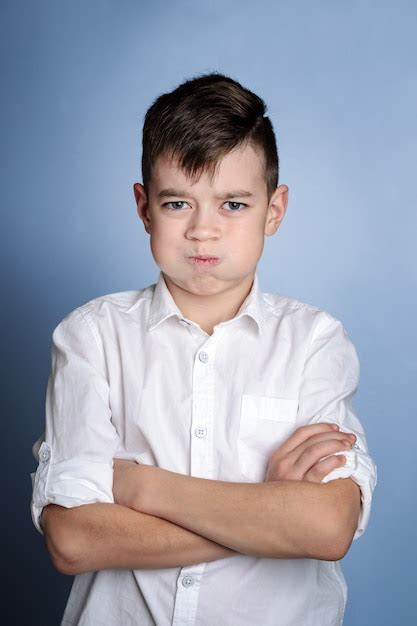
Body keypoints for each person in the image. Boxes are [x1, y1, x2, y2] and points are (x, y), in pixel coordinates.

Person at [30, 71, 377, 626]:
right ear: (144, 207)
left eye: (233, 204)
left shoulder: (316, 341)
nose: (203, 231)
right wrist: (267, 512)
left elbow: (327, 528)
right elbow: (74, 540)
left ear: (274, 208)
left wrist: (140, 485)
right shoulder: (90, 336)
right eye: (177, 204)